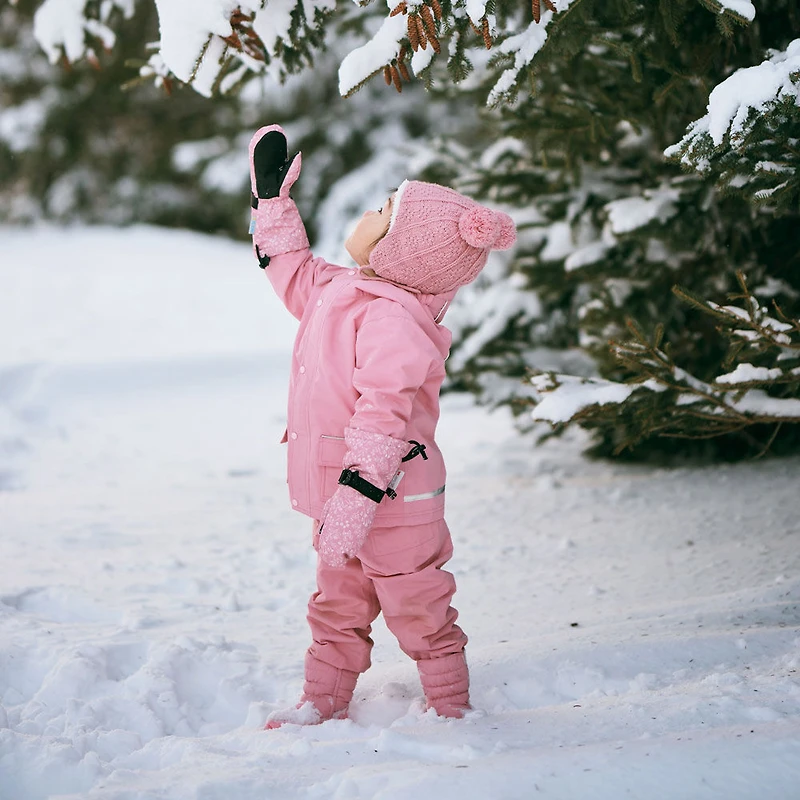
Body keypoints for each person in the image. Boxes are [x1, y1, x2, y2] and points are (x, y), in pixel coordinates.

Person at [248, 124, 516, 728]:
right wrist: (273, 204)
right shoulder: (345, 289)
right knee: (336, 603)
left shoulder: (395, 321)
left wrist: (358, 496)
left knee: (418, 602)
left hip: (392, 496)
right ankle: (322, 702)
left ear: (399, 251)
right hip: (343, 491)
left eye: (383, 211)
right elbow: (289, 268)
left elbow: (383, 415)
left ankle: (451, 707)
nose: (369, 213)